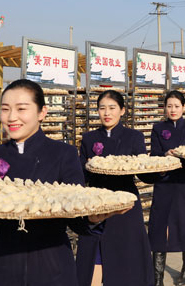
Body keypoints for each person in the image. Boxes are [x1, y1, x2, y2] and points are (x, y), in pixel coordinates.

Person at [0, 79, 120, 286]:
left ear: (42, 112)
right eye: (5, 109)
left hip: (53, 269)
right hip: (4, 269)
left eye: (21, 109)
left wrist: (93, 219)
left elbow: (76, 219)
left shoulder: (62, 154)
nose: (12, 117)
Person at [77, 90, 154, 286]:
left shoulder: (134, 137)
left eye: (112, 108)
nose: (106, 113)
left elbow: (143, 173)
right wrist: (85, 166)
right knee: (93, 258)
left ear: (122, 111)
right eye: (102, 108)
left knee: (125, 264)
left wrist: (158, 171)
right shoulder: (89, 138)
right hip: (96, 207)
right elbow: (81, 177)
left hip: (125, 209)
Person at [148, 91, 185, 286]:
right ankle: (157, 276)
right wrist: (165, 154)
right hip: (165, 183)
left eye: (177, 106)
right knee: (159, 225)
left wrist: (184, 155)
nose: (173, 110)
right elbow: (153, 154)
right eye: (169, 106)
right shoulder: (158, 128)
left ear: (184, 108)